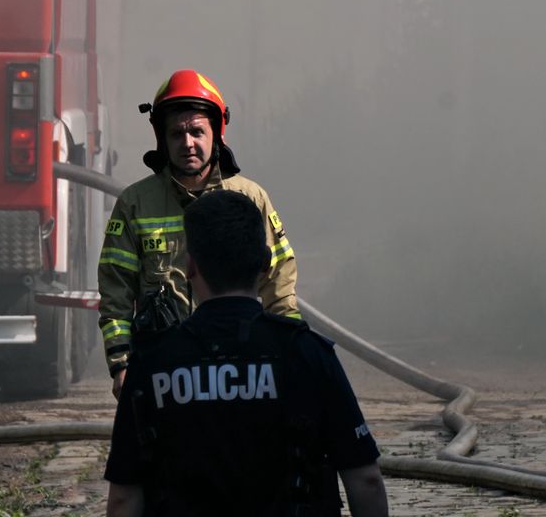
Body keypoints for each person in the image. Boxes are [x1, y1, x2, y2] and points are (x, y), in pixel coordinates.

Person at [104, 190, 388, 517]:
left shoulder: (151, 364)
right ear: (265, 263)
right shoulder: (307, 353)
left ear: (190, 265)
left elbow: (125, 498)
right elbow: (365, 480)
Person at [98, 69, 299, 399]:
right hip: (165, 368)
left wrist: (291, 348)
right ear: (162, 139)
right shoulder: (135, 204)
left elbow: (279, 281)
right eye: (177, 134)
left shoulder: (250, 199)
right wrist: (121, 364)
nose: (187, 143)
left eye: (196, 131)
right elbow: (115, 289)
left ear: (216, 133)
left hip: (238, 367)